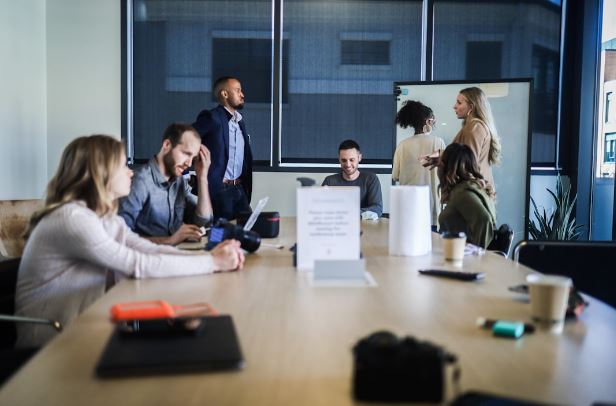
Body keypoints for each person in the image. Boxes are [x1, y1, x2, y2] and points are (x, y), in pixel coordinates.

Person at [15, 135, 244, 348]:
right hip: (49, 345)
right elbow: (137, 264)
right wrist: (213, 263)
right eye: (123, 165)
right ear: (101, 172)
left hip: (82, 329)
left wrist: (209, 259)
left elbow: (148, 250)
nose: (131, 172)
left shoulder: (101, 217)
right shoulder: (72, 218)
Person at [119, 123, 212, 245]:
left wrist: (202, 177)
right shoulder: (140, 181)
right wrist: (169, 241)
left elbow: (203, 221)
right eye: (186, 154)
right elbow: (120, 237)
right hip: (147, 259)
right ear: (167, 145)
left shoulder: (179, 181)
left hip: (172, 255)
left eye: (193, 158)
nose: (189, 164)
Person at [193, 76, 253, 220]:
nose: (242, 94)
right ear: (224, 94)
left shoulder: (239, 121)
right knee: (219, 233)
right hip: (220, 189)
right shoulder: (212, 118)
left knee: (248, 229)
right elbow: (186, 138)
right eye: (238, 91)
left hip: (239, 188)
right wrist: (189, 172)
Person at [422, 86, 501, 191]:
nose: (454, 106)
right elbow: (464, 157)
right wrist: (442, 156)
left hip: (472, 193)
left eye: (459, 103)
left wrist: (443, 157)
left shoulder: (474, 128)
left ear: (471, 107)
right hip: (474, 191)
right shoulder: (474, 127)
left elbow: (468, 163)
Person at [393, 100, 446, 225]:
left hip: (408, 207)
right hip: (431, 208)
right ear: (428, 121)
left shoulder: (402, 145)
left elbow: (395, 176)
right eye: (433, 118)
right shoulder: (438, 143)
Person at [437, 143, 496, 248]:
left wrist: (476, 254)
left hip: (463, 258)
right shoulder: (472, 187)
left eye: (441, 163)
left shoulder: (462, 193)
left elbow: (484, 220)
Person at [322, 139, 383, 218]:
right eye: (344, 160)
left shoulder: (371, 179)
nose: (348, 164)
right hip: (337, 226)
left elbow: (377, 209)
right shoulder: (329, 181)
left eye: (352, 160)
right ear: (339, 159)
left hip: (366, 228)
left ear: (359, 157)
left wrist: (347, 213)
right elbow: (320, 208)